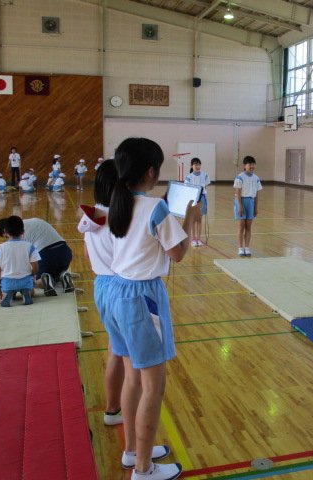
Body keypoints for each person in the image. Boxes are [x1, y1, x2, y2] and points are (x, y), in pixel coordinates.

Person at [107, 137, 200, 480]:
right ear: (151, 171)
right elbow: (177, 253)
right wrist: (189, 219)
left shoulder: (119, 203)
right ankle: (144, 469)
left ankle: (134, 452)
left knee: (134, 378)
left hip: (118, 292)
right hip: (142, 300)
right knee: (153, 388)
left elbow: (145, 237)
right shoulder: (155, 209)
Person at [77, 159, 125, 427]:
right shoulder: (118, 220)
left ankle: (112, 409)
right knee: (132, 360)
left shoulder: (91, 216)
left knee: (115, 350)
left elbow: (86, 253)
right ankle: (129, 416)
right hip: (122, 288)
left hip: (102, 286)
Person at [0, 217, 74, 296]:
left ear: (6, 231)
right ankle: (62, 276)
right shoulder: (33, 221)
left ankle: (46, 280)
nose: (7, 239)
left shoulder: (18, 235)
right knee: (52, 271)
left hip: (46, 255)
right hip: (66, 253)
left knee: (36, 281)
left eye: (6, 237)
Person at [0, 215, 39, 307]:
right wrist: (30, 276)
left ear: (5, 231)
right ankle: (27, 293)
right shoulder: (30, 246)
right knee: (30, 289)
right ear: (23, 231)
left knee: (7, 289)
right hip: (25, 280)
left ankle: (8, 294)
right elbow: (36, 268)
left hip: (8, 282)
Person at [233, 155, 262, 257]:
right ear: (245, 165)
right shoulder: (240, 177)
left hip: (251, 202)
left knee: (248, 227)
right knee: (241, 226)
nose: (252, 166)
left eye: (253, 164)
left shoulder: (256, 178)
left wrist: (256, 207)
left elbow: (257, 194)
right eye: (250, 164)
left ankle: (247, 247)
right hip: (240, 201)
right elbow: (238, 192)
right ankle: (240, 248)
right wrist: (240, 206)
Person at [184, 157, 210, 247]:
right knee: (194, 220)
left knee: (199, 219)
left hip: (202, 198)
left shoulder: (205, 175)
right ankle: (193, 239)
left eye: (199, 164)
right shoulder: (189, 177)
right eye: (195, 164)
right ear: (192, 166)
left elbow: (205, 186)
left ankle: (198, 239)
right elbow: (188, 188)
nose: (198, 166)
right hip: (193, 198)